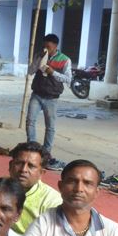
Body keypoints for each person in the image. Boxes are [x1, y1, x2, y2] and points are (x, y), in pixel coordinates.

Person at [0, 142, 61, 234]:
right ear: (10, 165)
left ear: (41, 173)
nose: (23, 170)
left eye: (31, 166)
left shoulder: (51, 202)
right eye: (19, 163)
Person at [26, 33, 71, 166]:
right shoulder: (39, 55)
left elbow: (68, 79)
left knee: (50, 126)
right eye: (45, 46)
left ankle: (46, 152)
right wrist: (37, 61)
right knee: (30, 121)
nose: (46, 49)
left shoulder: (65, 60)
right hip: (37, 93)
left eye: (49, 47)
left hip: (52, 97)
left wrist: (53, 72)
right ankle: (32, 147)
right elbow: (30, 71)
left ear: (55, 46)